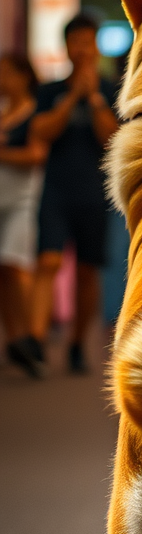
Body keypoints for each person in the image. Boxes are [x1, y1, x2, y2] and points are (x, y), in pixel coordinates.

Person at [14, 14, 119, 376]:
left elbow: (112, 141)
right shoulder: (49, 90)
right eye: (75, 41)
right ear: (66, 46)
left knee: (88, 271)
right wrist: (71, 95)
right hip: (55, 190)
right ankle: (36, 340)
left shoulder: (108, 91)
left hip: (95, 192)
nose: (82, 48)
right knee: (48, 261)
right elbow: (42, 131)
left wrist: (91, 99)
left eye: (88, 41)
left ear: (96, 45)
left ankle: (76, 344)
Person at [0, 54, 47, 370]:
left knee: (16, 264)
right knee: (3, 270)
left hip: (24, 200)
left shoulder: (36, 111)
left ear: (23, 76)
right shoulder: (2, 110)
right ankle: (14, 339)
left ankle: (33, 336)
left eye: (5, 73)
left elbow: (35, 156)